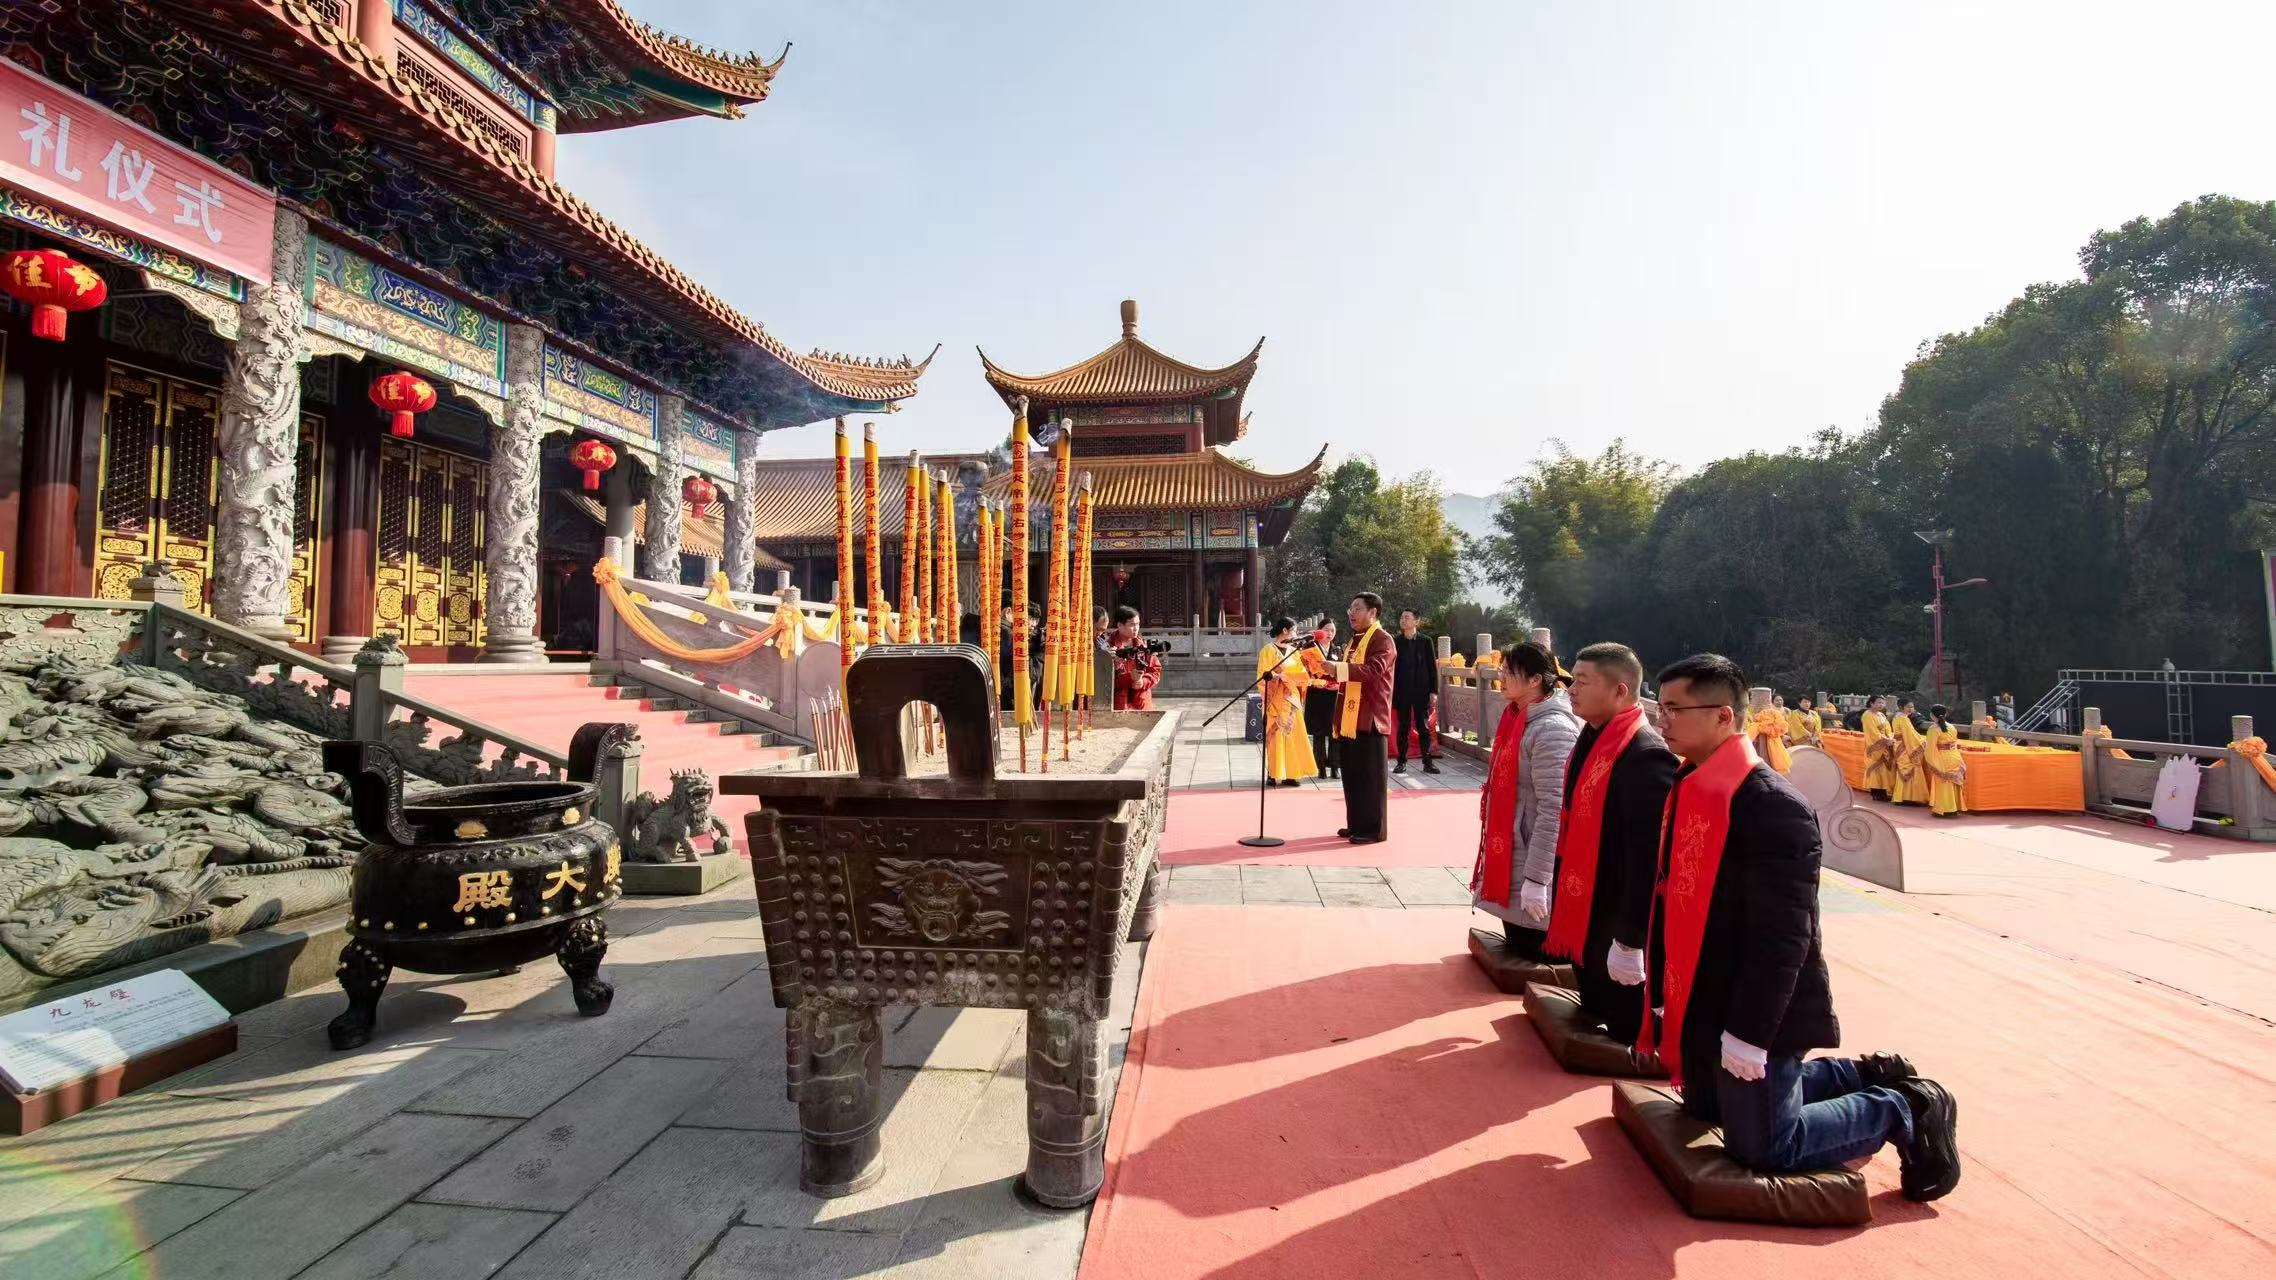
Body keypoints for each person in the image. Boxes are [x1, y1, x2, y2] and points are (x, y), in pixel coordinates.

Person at [1635, 653, 1960, 1199]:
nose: (1660, 722)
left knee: (1763, 1146)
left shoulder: (1771, 806)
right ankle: (1863, 1075)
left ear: (1723, 718)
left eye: (1674, 709)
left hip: (1761, 1003)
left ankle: (1906, 1105)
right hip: (1704, 992)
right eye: (1659, 708)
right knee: (1707, 1104)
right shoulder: (1689, 785)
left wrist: (1749, 1035)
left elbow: (1784, 937)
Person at [1543, 642, 1679, 1045]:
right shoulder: (1592, 736)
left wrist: (1632, 938)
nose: (1571, 689)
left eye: (1582, 682)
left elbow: (1646, 858)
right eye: (1573, 680)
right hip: (1586, 893)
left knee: (1625, 1023)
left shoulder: (1645, 755)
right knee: (1595, 1001)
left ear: (1620, 691)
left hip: (1617, 907)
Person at [1470, 643, 1579, 956]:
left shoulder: (1551, 729)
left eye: (1509, 672)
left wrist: (1538, 879)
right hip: (1516, 837)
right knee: (1519, 941)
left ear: (1534, 680)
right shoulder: (1517, 717)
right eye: (1502, 670)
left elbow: (1553, 808)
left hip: (1532, 844)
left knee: (1532, 942)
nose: (1501, 677)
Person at [1332, 592, 1397, 844]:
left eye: (1357, 608)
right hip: (1350, 716)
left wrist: (1336, 668)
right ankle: (1357, 823)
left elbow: (1373, 671)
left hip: (1370, 717)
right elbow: (1346, 674)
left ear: (1373, 612)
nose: (1351, 613)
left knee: (1370, 778)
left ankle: (1373, 830)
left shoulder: (1383, 640)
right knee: (1353, 774)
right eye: (1350, 608)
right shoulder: (1354, 640)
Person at [1256, 618, 1318, 786]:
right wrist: (1280, 677)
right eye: (1294, 630)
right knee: (1275, 737)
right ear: (1285, 630)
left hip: (1291, 699)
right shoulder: (1267, 650)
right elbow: (1262, 676)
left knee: (1293, 736)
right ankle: (1273, 772)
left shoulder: (1294, 650)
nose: (1296, 634)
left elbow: (1302, 672)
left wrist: (1299, 677)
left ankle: (1292, 773)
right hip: (1275, 700)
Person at [1391, 608, 1440, 775]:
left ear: (1416, 621)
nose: (1403, 620)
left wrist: (1434, 691)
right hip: (1401, 690)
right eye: (1402, 617)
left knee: (1423, 727)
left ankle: (1427, 762)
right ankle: (1401, 762)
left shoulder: (1425, 641)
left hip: (1421, 691)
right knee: (1403, 728)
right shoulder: (1395, 641)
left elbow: (1432, 668)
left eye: (1407, 617)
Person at [1301, 622, 1341, 781]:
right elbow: (1303, 671)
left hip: (1334, 696)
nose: (1329, 633)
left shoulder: (1338, 650)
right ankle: (1321, 767)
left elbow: (1343, 670)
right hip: (1316, 695)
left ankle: (1335, 767)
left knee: (1335, 733)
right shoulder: (1309, 649)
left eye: (1332, 630)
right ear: (1319, 631)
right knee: (1318, 733)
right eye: (1326, 630)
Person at [1107, 605, 1161, 711]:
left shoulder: (1143, 646)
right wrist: (1129, 678)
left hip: (1142, 703)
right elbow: (1104, 680)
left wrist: (1143, 682)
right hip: (1119, 705)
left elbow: (1156, 671)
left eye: (1138, 624)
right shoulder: (1109, 648)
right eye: (1132, 624)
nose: (1136, 628)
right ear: (1120, 625)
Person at [1922, 704, 1967, 817]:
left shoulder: (1933, 729)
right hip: (1954, 756)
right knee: (1953, 782)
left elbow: (1930, 748)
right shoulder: (1952, 727)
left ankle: (1944, 808)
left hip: (1942, 757)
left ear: (1932, 715)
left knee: (1943, 782)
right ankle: (1955, 807)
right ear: (1945, 714)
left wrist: (1931, 761)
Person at [1891, 699, 1931, 804]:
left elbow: (1911, 733)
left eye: (1912, 707)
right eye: (1908, 707)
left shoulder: (1897, 717)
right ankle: (1912, 798)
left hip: (1899, 746)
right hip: (1905, 746)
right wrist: (1923, 742)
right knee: (1912, 768)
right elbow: (1910, 735)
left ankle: (1902, 797)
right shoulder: (1903, 719)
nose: (1910, 709)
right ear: (1901, 707)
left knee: (1903, 770)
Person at [1860, 695, 1898, 801]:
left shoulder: (1881, 715)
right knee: (1875, 768)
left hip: (1885, 743)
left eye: (1882, 703)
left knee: (1884, 770)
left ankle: (1883, 791)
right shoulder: (1867, 715)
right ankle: (1876, 792)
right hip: (1875, 745)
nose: (1881, 705)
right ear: (1871, 703)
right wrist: (1886, 740)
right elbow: (1872, 732)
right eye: (1878, 702)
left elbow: (1888, 728)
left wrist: (1890, 737)